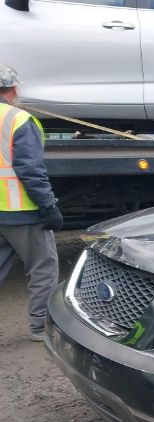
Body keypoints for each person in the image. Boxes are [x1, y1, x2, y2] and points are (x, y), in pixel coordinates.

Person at [0, 63, 62, 342]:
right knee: (43, 268)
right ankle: (41, 327)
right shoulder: (18, 119)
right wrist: (49, 206)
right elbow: (30, 170)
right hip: (21, 211)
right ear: (13, 89)